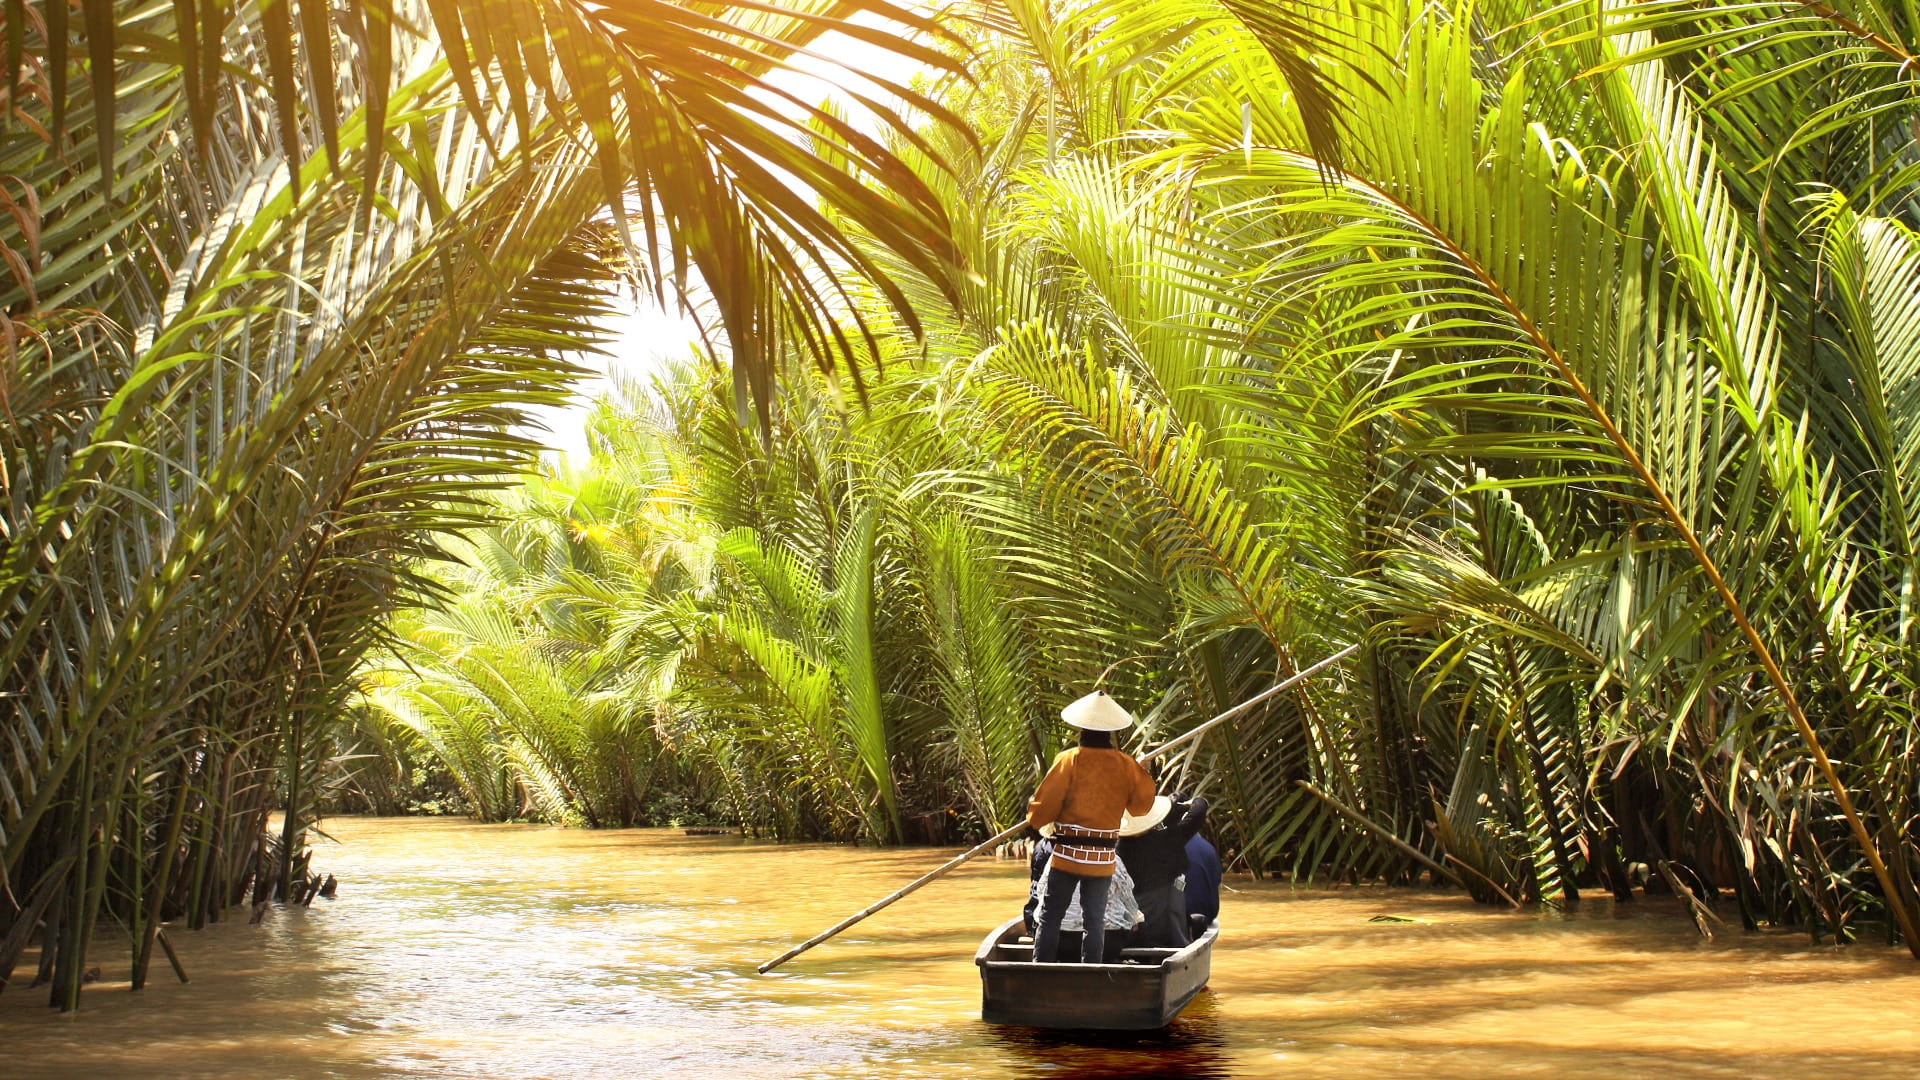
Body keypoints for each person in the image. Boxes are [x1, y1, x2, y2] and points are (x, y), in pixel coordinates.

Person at [1024, 689, 1156, 964]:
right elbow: (1140, 807)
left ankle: (1040, 970)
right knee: (1094, 921)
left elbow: (1044, 804)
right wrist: (1141, 771)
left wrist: (1033, 823)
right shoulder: (1125, 765)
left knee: (1050, 917)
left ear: (1082, 728)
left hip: (1067, 857)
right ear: (1109, 732)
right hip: (1102, 859)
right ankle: (1091, 973)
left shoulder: (1069, 760)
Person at [1118, 793, 1209, 948]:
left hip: (1133, 922)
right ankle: (1179, 942)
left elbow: (1166, 821)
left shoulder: (1120, 846)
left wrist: (1174, 807)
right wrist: (1193, 802)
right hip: (1163, 918)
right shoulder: (1166, 838)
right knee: (1178, 884)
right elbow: (1197, 813)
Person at [1184, 826, 1222, 937]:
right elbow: (1217, 882)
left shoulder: (1170, 845)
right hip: (1208, 913)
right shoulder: (1209, 849)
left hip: (1181, 916)